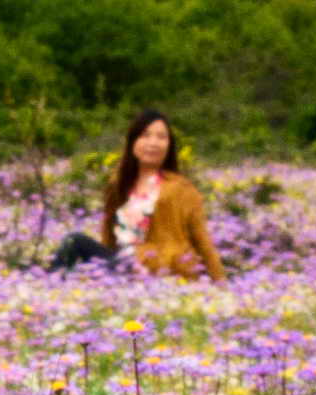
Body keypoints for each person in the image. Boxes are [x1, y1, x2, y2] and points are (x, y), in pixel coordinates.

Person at [47, 110, 226, 280]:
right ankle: (50, 292)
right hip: (120, 261)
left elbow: (203, 240)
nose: (153, 143)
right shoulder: (119, 184)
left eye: (161, 137)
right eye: (145, 135)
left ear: (169, 145)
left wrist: (220, 283)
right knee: (74, 241)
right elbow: (109, 235)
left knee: (97, 272)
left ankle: (86, 280)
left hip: (159, 266)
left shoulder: (182, 189)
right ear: (133, 142)